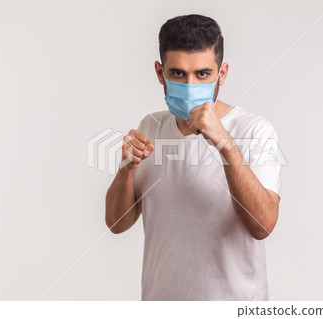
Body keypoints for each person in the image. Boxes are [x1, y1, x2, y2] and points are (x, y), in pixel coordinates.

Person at [105, 14, 282, 301]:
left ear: (221, 74)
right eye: (177, 74)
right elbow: (116, 223)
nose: (189, 85)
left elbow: (262, 226)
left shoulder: (254, 130)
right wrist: (126, 168)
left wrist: (224, 143)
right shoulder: (150, 126)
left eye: (202, 74)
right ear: (160, 73)